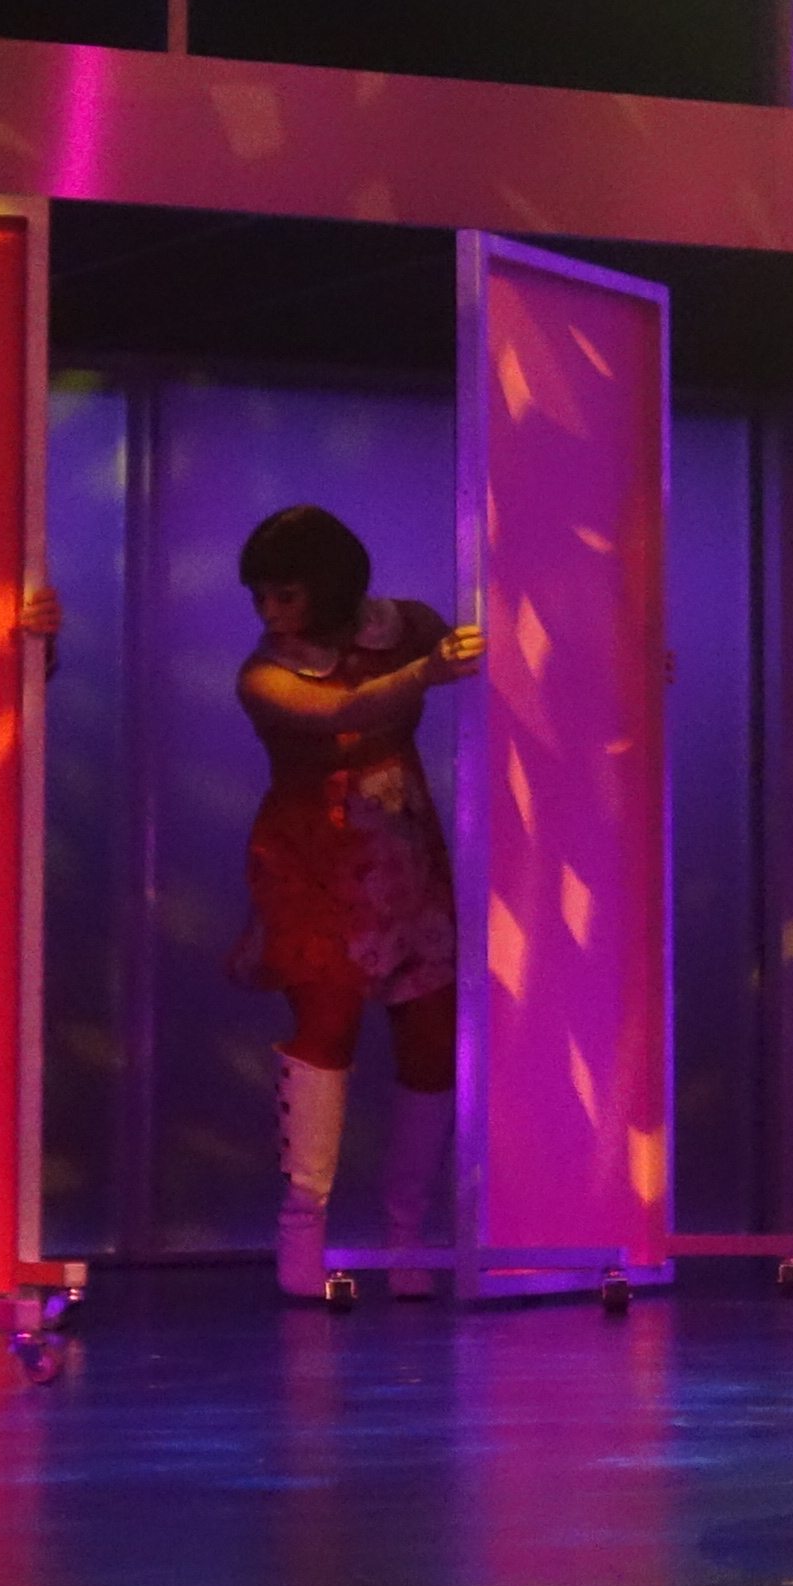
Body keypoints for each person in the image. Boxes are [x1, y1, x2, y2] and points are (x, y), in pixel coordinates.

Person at [230, 503, 484, 1304]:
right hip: (315, 861)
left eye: (287, 594)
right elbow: (343, 711)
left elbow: (495, 658)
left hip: (404, 852)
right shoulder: (265, 674)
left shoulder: (404, 626)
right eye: (261, 597)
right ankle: (302, 1229)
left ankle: (407, 1234)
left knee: (433, 1041)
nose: (271, 613)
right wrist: (426, 674)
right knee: (326, 1030)